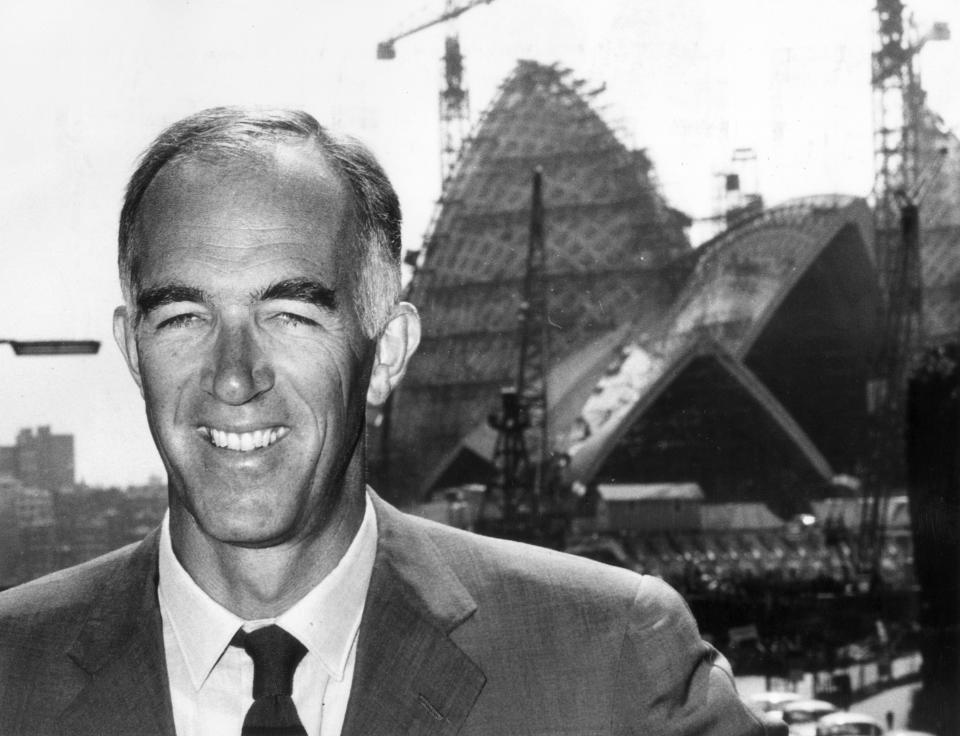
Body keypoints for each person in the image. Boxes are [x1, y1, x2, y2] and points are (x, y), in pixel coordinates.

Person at [0, 107, 784, 735]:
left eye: (291, 314)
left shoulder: (613, 661)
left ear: (392, 348)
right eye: (182, 317)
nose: (233, 377)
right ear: (133, 352)